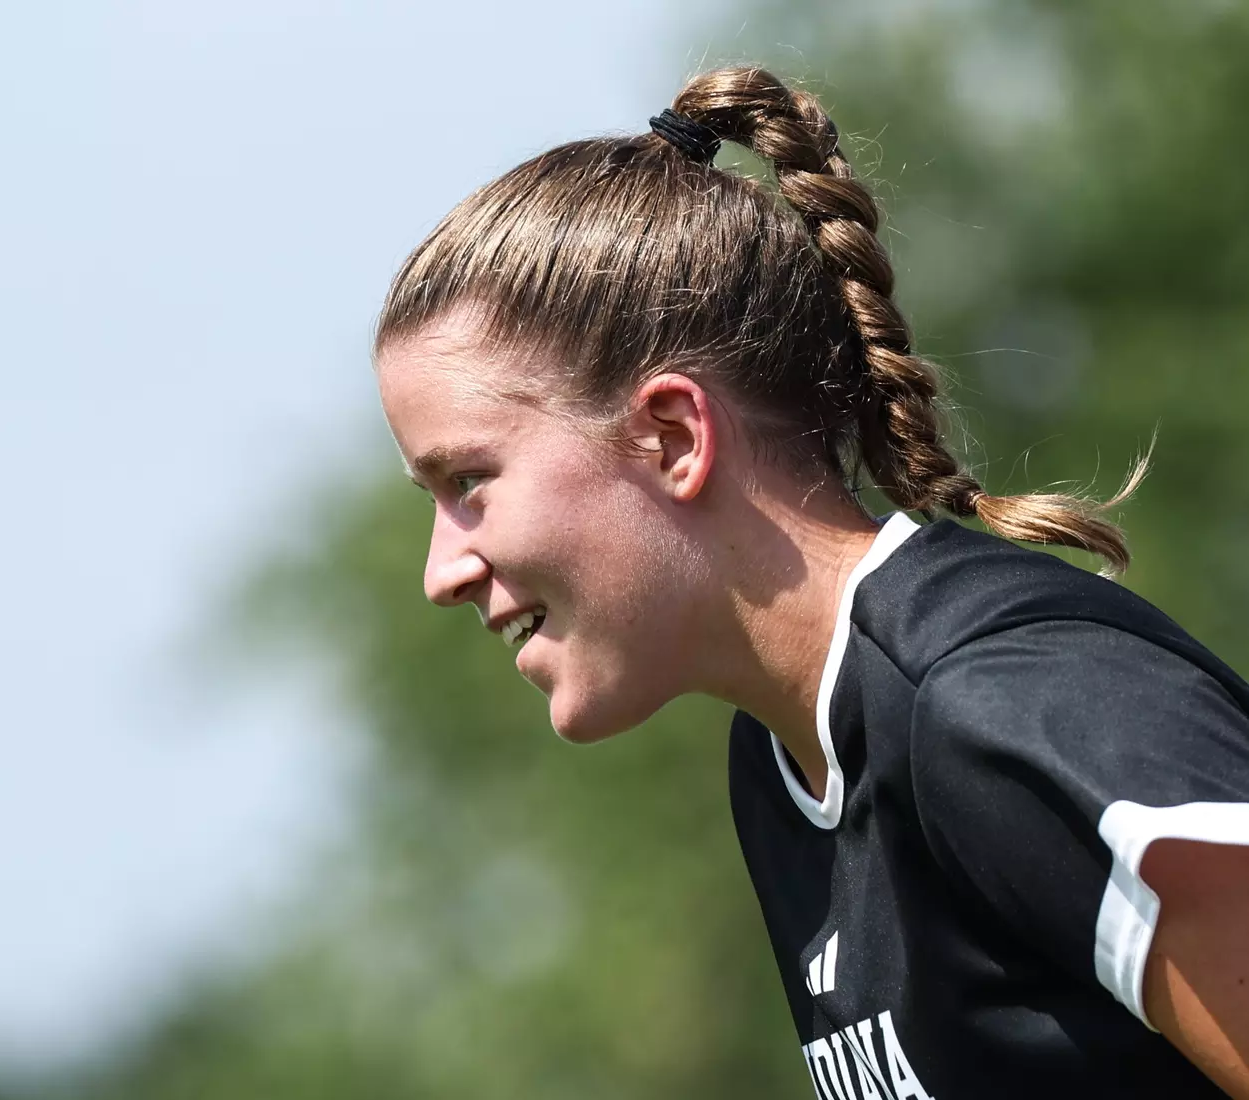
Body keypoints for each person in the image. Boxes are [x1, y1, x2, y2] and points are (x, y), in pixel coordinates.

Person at [373, 66, 1249, 1098]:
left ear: (672, 436)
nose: (441, 571)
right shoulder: (784, 761)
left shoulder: (991, 708)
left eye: (469, 480)